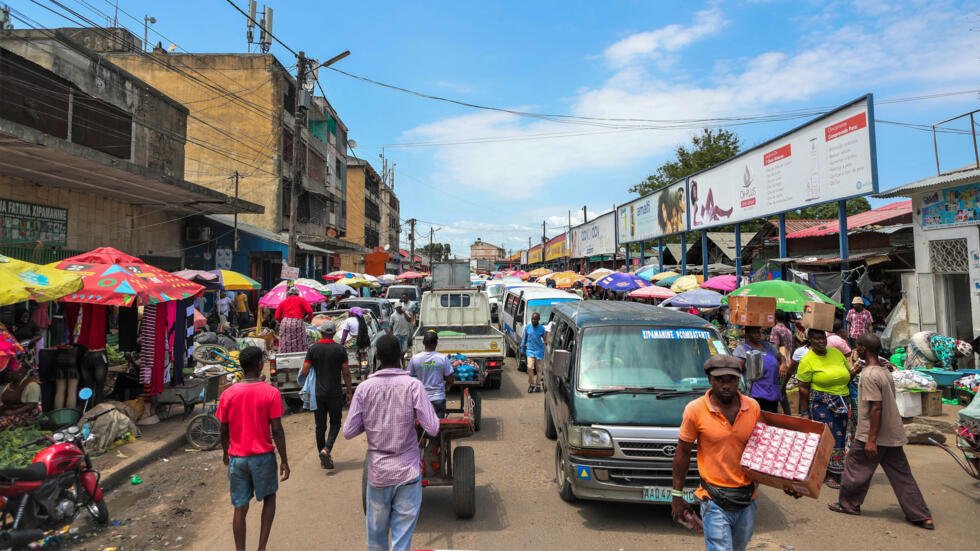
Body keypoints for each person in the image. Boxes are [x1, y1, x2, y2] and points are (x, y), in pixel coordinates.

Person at [671, 355, 799, 551]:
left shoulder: (753, 407)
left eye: (731, 379)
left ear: (739, 379)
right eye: (719, 380)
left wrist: (787, 482)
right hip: (714, 500)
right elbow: (682, 453)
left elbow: (766, 451)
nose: (726, 385)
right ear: (709, 380)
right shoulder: (695, 410)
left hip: (747, 499)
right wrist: (676, 495)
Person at [343, 335, 440, 551]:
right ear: (401, 356)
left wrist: (370, 423)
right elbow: (433, 427)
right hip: (407, 473)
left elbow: (348, 431)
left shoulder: (364, 388)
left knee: (376, 541)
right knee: (401, 542)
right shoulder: (413, 386)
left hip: (378, 474)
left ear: (377, 357)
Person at [830, 334, 935, 530]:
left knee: (854, 468)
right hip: (892, 434)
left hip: (872, 434)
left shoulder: (869, 375)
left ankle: (848, 504)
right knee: (902, 475)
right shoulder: (884, 370)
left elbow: (875, 408)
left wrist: (871, 440)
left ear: (862, 349)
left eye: (857, 347)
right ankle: (921, 515)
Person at [216, 346, 289, 551]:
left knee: (240, 508)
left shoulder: (228, 394)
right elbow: (277, 430)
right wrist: (284, 460)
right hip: (263, 457)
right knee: (269, 498)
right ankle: (261, 547)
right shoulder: (271, 393)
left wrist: (225, 453)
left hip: (237, 458)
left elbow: (223, 430)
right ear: (259, 365)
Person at [796, 328, 852, 488]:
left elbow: (847, 373)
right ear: (810, 341)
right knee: (827, 438)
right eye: (817, 339)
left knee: (842, 438)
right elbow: (803, 388)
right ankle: (828, 473)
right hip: (822, 404)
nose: (821, 341)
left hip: (842, 402)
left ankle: (838, 470)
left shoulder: (836, 353)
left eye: (823, 338)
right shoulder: (807, 360)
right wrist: (805, 412)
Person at [301, 322, 352, 469]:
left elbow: (305, 370)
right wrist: (349, 391)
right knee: (335, 423)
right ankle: (327, 449)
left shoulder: (313, 349)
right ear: (334, 333)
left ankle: (322, 454)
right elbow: (346, 372)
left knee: (320, 426)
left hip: (318, 394)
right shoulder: (340, 349)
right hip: (335, 393)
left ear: (321, 332)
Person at [733, 326, 785, 413]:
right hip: (755, 394)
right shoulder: (742, 349)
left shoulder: (768, 346)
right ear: (747, 334)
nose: (758, 335)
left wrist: (783, 364)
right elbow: (736, 370)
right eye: (754, 333)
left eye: (759, 332)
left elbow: (781, 357)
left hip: (772, 392)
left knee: (771, 421)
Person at [407, 331, 454, 417]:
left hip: (421, 398)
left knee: (420, 425)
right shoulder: (443, 358)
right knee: (437, 425)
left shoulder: (415, 358)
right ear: (436, 343)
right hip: (438, 398)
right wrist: (446, 387)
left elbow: (408, 379)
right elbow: (450, 378)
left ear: (423, 343)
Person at [0, 365, 41, 431]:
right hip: (9, 412)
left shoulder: (32, 384)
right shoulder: (9, 384)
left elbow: (32, 405)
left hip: (26, 413)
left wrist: (14, 412)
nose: (8, 378)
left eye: (8, 375)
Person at [904, 330, 973, 370]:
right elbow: (947, 368)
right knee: (921, 366)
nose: (961, 357)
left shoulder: (953, 342)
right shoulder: (948, 352)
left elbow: (952, 361)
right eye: (961, 355)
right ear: (958, 351)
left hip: (927, 335)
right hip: (921, 341)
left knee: (930, 365)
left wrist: (954, 366)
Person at [275, 287, 312, 354]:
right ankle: (300, 355)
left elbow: (277, 316)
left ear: (288, 294)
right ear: (298, 294)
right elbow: (309, 311)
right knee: (300, 341)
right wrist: (310, 320)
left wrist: (282, 322)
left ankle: (284, 354)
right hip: (298, 322)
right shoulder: (302, 300)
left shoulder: (283, 302)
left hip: (285, 322)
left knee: (285, 340)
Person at [520, 312, 547, 394]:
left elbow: (545, 340)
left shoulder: (542, 329)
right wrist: (522, 350)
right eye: (532, 319)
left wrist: (545, 348)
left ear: (538, 320)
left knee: (539, 370)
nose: (533, 320)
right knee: (530, 368)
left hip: (539, 352)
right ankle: (531, 384)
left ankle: (538, 385)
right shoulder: (528, 327)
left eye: (535, 319)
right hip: (530, 351)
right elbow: (524, 339)